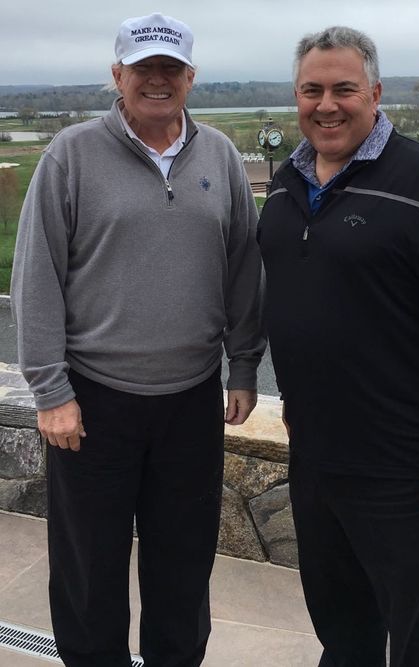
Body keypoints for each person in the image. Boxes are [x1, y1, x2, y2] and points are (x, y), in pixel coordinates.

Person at [11, 13, 265, 667]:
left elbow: (242, 266)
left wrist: (242, 365)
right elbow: (37, 277)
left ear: (191, 77)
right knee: (90, 572)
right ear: (116, 75)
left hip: (189, 402)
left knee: (182, 569)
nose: (158, 80)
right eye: (143, 68)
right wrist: (51, 388)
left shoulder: (220, 159)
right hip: (92, 405)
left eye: (171, 69)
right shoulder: (70, 156)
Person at [257, 26, 419, 667]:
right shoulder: (285, 185)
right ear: (297, 95)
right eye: (312, 90)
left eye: (344, 89)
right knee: (343, 633)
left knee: (417, 642)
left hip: (406, 467)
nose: (326, 104)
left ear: (376, 93)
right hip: (315, 456)